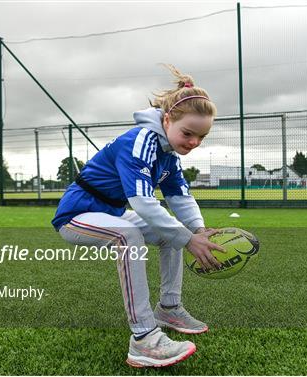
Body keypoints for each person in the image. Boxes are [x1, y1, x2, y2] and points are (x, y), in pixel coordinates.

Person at [52, 64, 225, 368]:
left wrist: (197, 230)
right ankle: (143, 337)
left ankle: (169, 307)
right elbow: (144, 204)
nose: (194, 142)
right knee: (129, 235)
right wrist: (188, 240)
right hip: (77, 215)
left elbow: (180, 197)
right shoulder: (141, 141)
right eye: (188, 133)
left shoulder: (168, 154)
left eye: (202, 137)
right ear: (167, 119)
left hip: (112, 213)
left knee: (169, 234)